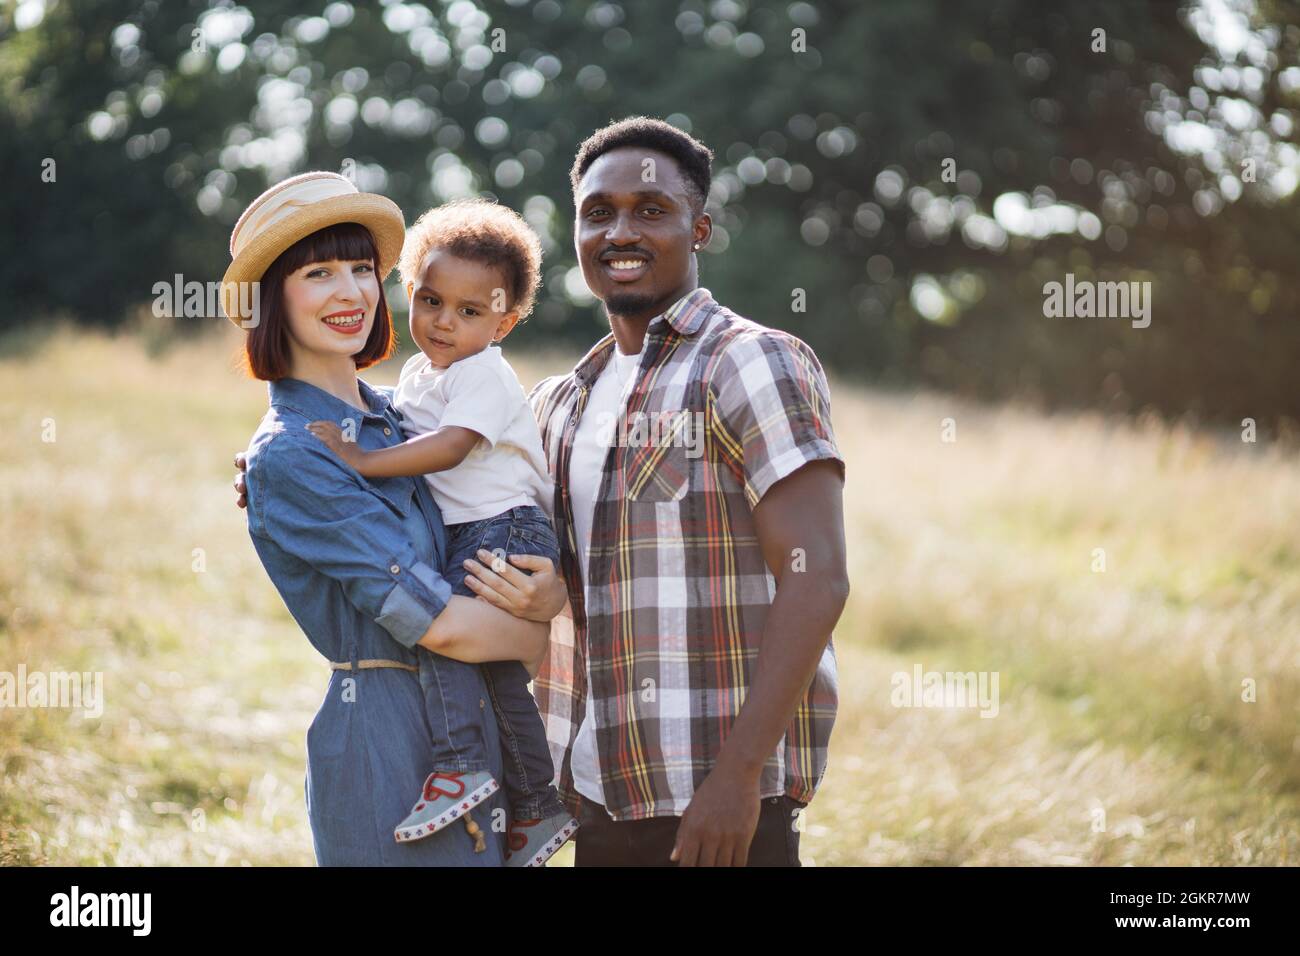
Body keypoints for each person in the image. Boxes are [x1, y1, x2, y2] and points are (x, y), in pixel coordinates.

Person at [519, 116, 850, 866]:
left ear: (699, 229)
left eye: (651, 210)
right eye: (598, 213)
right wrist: (305, 464)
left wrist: (737, 779)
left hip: (722, 810)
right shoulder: (560, 401)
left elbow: (819, 576)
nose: (621, 232)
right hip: (598, 796)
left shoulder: (751, 362)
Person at [224, 171, 566, 866]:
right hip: (385, 735)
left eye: (360, 268)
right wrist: (535, 629)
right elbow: (441, 624)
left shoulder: (398, 417)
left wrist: (552, 593)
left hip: (477, 728)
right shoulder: (290, 453)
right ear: (271, 298)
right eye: (318, 272)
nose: (350, 292)